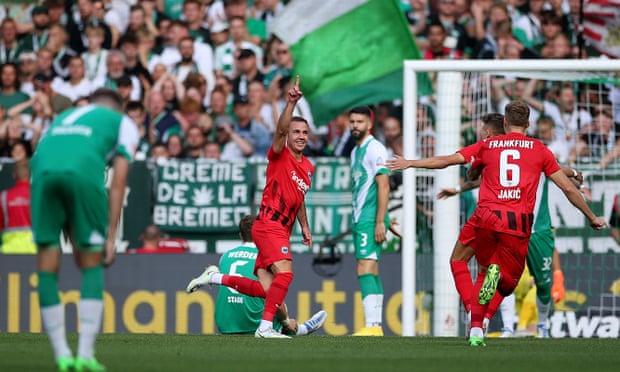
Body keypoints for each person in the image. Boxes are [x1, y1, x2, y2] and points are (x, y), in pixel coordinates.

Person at [385, 100, 607, 346]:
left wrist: (411, 163)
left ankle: (476, 323)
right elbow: (567, 187)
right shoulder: (539, 148)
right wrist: (591, 216)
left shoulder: (488, 145)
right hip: (517, 223)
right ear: (529, 123)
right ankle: (485, 309)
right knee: (507, 284)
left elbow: (448, 160)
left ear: (504, 122)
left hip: (486, 217)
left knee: (470, 264)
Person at [185, 75, 314, 339]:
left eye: (304, 133)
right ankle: (265, 328)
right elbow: (279, 131)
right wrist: (289, 104)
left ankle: (215, 278)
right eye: (296, 132)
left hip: (282, 229)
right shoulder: (280, 155)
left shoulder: (308, 167)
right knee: (285, 277)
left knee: (267, 290)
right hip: (269, 224)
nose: (300, 136)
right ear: (288, 135)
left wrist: (305, 226)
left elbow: (299, 198)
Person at [31, 88, 139, 371]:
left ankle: (61, 355)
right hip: (83, 174)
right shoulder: (123, 123)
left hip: (40, 175)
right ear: (119, 108)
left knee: (46, 263)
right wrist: (111, 237)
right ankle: (85, 355)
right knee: (92, 264)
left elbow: (43, 156)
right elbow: (118, 183)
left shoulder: (64, 118)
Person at [187, 215, 327, 336]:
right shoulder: (266, 256)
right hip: (255, 324)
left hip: (226, 326)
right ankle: (300, 329)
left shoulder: (225, 256)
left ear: (241, 235)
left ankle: (213, 276)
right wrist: (285, 321)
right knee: (276, 298)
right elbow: (274, 299)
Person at [348, 106, 390, 337]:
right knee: (371, 268)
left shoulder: (375, 149)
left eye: (359, 122)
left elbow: (384, 185)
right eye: (352, 121)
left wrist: (381, 221)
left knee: (364, 267)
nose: (355, 125)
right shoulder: (355, 152)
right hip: (361, 217)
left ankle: (373, 325)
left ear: (369, 124)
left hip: (369, 218)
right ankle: (375, 326)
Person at [0, 159, 36, 254]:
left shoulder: (3, 196)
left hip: (8, 252)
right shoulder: (39, 195)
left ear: (14, 175)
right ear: (30, 175)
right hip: (35, 251)